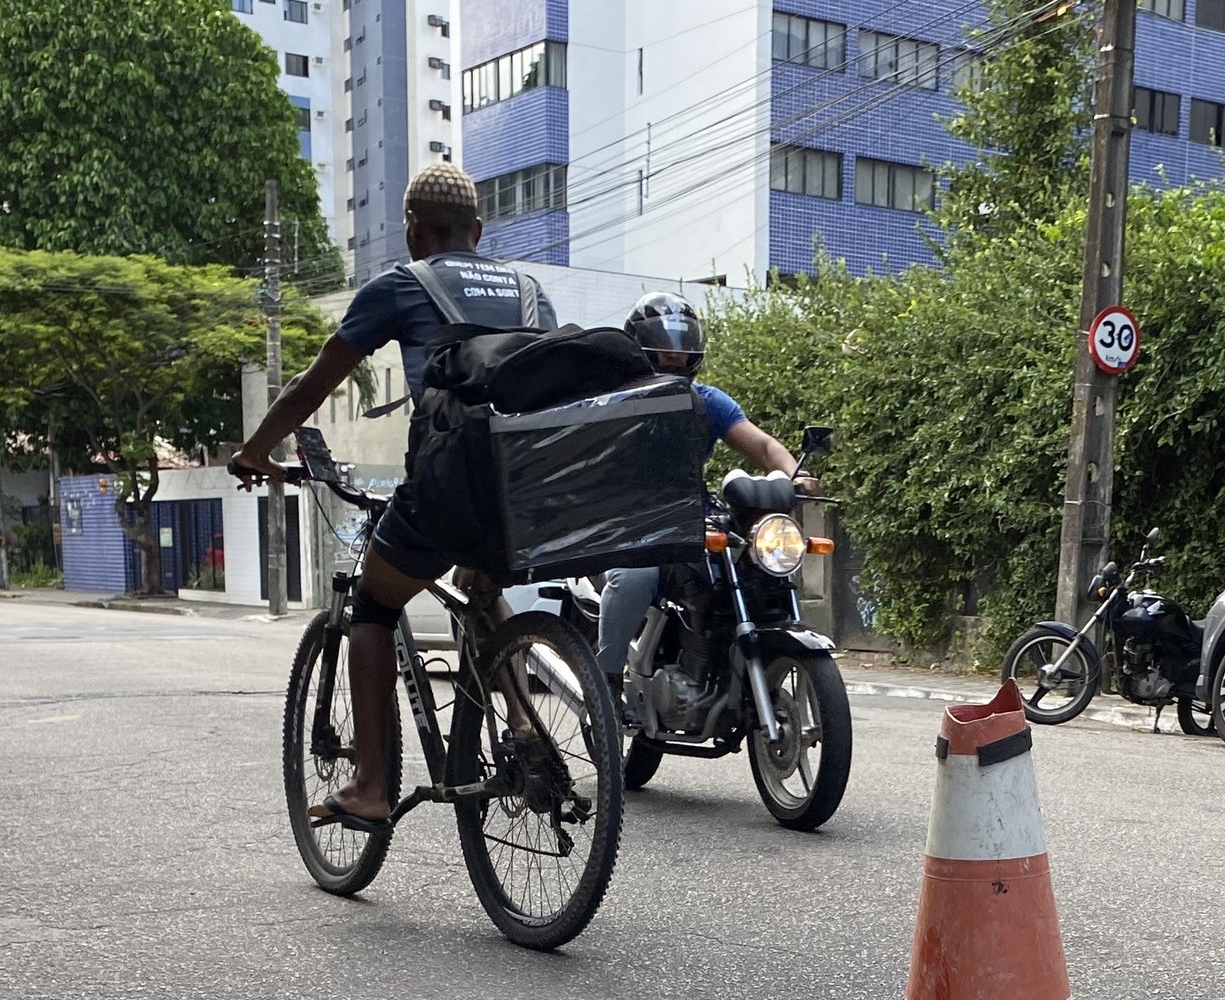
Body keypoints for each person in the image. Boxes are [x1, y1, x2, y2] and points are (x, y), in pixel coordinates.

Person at [227, 161, 557, 829]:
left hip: (447, 481)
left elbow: (312, 385)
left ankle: (372, 784)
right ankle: (523, 726)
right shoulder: (529, 291)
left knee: (374, 606)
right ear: (478, 229)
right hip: (527, 483)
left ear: (412, 232)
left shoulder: (403, 285)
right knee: (483, 584)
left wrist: (256, 451)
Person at [595, 293, 814, 698]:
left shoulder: (708, 401)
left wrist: (794, 474)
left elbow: (764, 448)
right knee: (634, 577)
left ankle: (724, 662)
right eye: (663, 353)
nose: (674, 360)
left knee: (752, 559)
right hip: (626, 519)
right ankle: (604, 684)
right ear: (639, 348)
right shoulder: (614, 401)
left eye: (681, 351)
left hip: (689, 515)